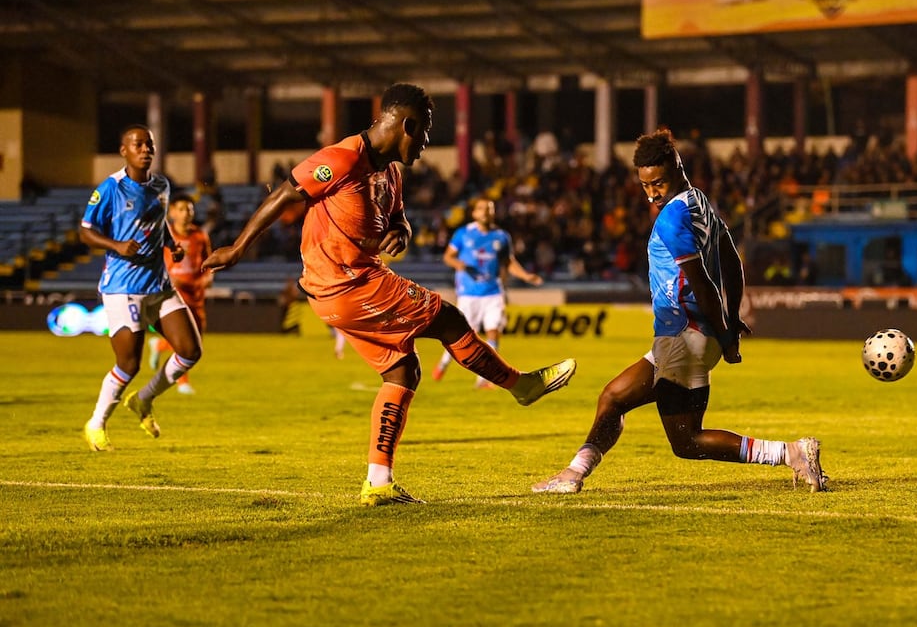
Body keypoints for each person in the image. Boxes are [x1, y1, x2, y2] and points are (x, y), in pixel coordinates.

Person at [202, 83, 576, 506]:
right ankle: (520, 385)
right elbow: (287, 193)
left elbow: (398, 219)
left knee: (403, 372)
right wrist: (237, 249)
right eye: (426, 131)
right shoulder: (342, 158)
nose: (427, 142)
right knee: (448, 318)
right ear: (408, 126)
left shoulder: (391, 174)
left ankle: (378, 482)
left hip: (345, 287)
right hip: (346, 282)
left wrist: (401, 230)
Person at [532, 128, 827, 494]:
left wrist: (726, 332)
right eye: (645, 186)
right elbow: (731, 260)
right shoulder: (698, 202)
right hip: (689, 336)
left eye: (658, 183)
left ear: (677, 168)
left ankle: (791, 453)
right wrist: (731, 318)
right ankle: (572, 475)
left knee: (686, 440)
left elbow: (701, 281)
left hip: (684, 336)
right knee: (614, 398)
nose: (651, 194)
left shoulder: (672, 219)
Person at [79, 124, 203, 452]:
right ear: (124, 151)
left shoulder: (161, 185)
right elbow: (85, 231)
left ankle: (143, 400)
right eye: (138, 144)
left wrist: (172, 244)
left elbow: (158, 222)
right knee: (129, 364)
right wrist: (116, 245)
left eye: (149, 144)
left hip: (158, 283)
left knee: (190, 351)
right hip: (123, 288)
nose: (145, 149)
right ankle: (96, 423)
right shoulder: (110, 189)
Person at [432, 197, 543, 388]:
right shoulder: (463, 234)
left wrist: (525, 276)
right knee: (462, 336)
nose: (486, 211)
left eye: (489, 208)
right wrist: (459, 264)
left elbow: (508, 262)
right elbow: (448, 257)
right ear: (474, 213)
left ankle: (484, 380)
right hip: (468, 294)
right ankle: (443, 364)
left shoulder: (501, 236)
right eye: (482, 208)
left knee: (494, 332)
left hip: (493, 292)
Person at [148, 193, 212, 395]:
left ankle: (159, 345)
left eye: (189, 209)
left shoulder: (200, 236)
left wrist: (208, 277)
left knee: (196, 342)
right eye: (182, 209)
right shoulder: (163, 235)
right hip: (173, 293)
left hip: (195, 292)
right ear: (172, 212)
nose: (186, 213)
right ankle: (182, 382)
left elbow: (209, 262)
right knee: (184, 341)